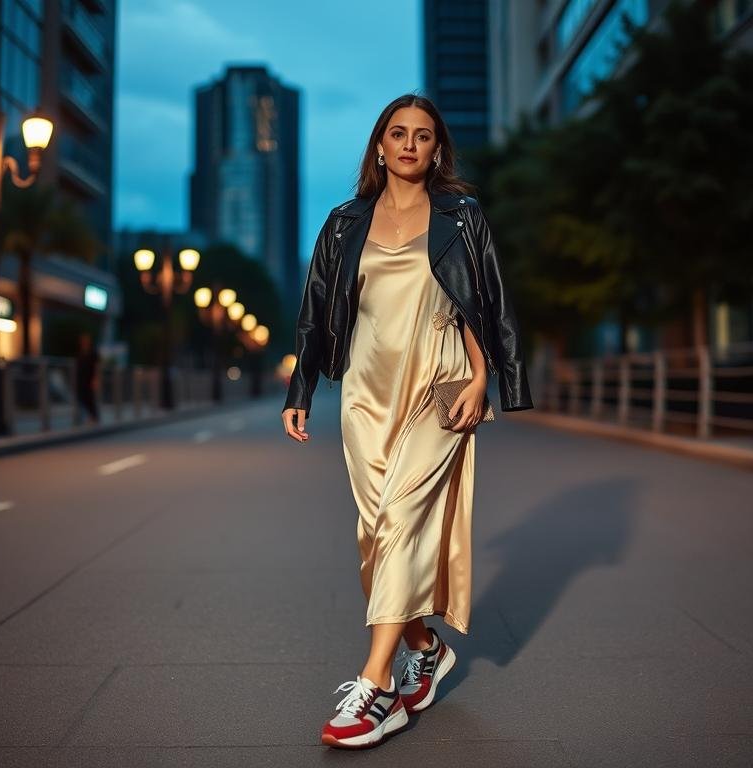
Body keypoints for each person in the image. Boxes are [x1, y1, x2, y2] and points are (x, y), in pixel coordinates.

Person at [281, 93, 534, 749]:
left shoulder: (461, 216)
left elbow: (484, 299)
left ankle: (378, 688)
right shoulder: (342, 224)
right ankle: (424, 646)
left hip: (440, 381)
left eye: (423, 136)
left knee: (397, 522)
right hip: (365, 391)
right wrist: (300, 386)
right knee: (376, 534)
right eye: (398, 133)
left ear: (437, 150)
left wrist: (486, 379)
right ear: (379, 146)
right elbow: (314, 311)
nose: (410, 144)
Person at [74, 332, 100, 425]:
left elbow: (96, 366)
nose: (84, 342)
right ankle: (86, 416)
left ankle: (94, 416)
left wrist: (96, 379)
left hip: (90, 377)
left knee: (89, 397)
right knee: (81, 396)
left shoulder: (93, 352)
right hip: (81, 378)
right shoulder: (80, 352)